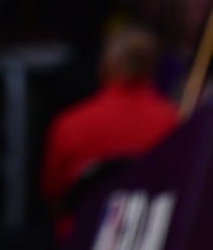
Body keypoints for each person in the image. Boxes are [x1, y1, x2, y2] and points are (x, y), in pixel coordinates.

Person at [39, 25, 180, 243]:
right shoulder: (171, 122)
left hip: (82, 236)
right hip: (148, 239)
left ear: (107, 64)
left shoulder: (71, 123)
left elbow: (52, 194)